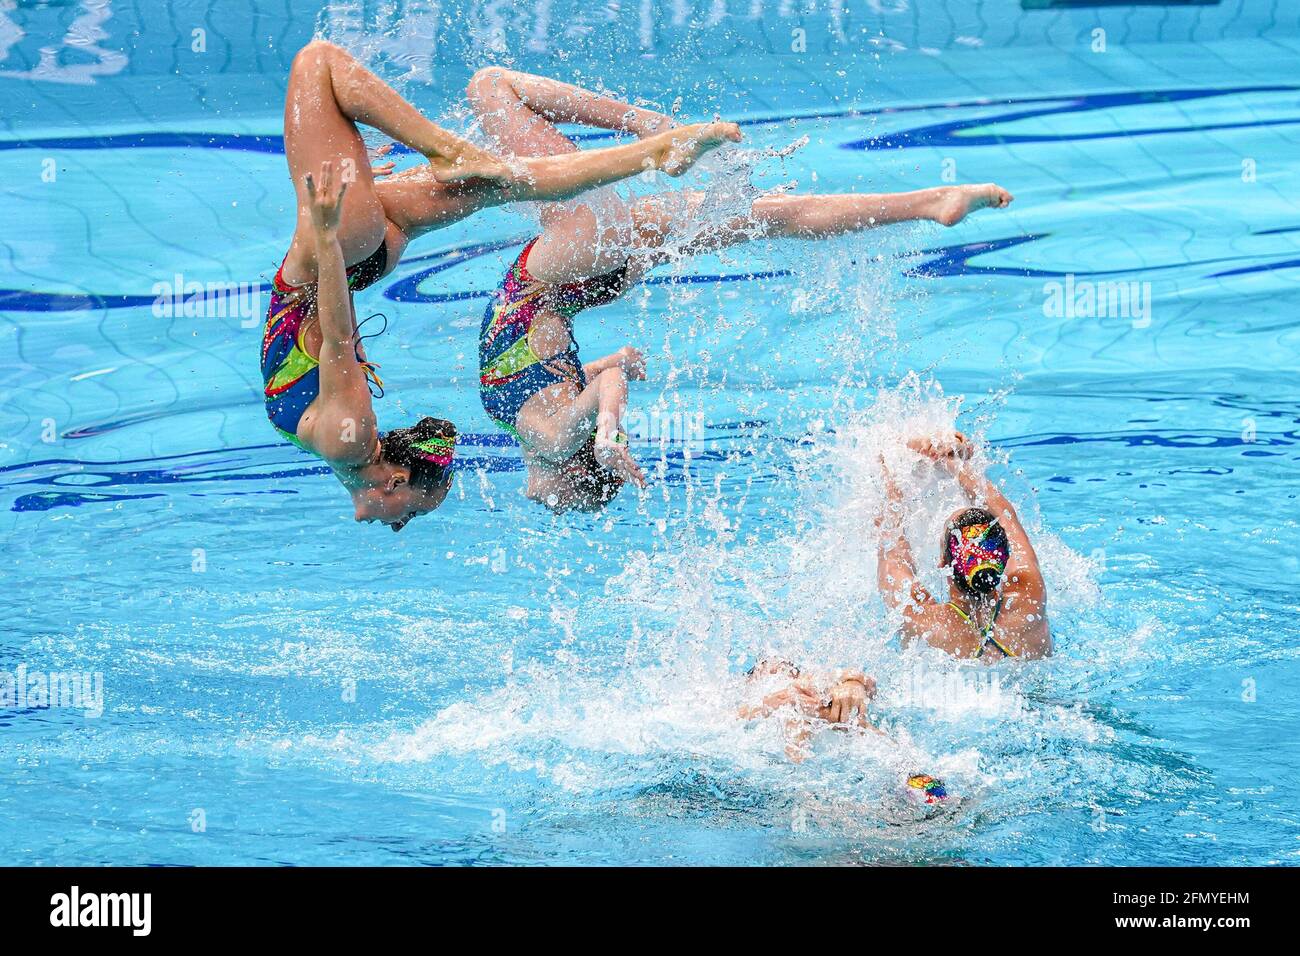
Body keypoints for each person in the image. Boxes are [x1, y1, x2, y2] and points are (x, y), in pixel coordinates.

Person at [468, 68, 1015, 513]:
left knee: (770, 218)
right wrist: (609, 428)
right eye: (560, 503)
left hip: (584, 278)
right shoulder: (551, 439)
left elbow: (564, 376)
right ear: (572, 468)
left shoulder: (540, 422)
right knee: (490, 88)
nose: (540, 499)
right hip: (572, 257)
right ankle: (655, 134)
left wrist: (609, 379)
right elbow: (597, 389)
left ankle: (930, 203)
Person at [260, 41, 740, 530]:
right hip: (338, 252)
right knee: (316, 63)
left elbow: (330, 339)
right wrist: (324, 232)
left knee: (505, 183)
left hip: (347, 253)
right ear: (395, 482)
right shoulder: (348, 444)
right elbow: (338, 338)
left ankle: (649, 153)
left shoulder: (347, 441)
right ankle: (454, 148)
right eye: (409, 514)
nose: (398, 523)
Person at [876, 432, 1052, 660]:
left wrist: (887, 464)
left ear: (943, 563)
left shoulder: (921, 619)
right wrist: (955, 462)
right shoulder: (1029, 596)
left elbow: (893, 551)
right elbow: (1005, 516)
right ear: (1004, 557)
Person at [738, 658, 950, 807]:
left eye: (791, 678)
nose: (785, 687)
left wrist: (852, 683)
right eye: (771, 680)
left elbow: (862, 681)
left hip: (889, 789)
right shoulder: (746, 726)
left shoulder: (831, 715)